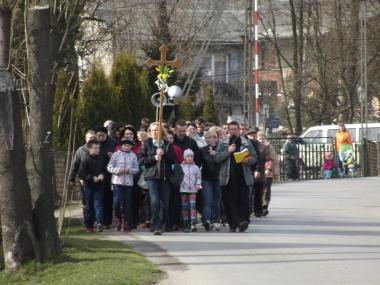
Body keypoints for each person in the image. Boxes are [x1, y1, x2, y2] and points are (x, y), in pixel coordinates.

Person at [215, 121, 257, 232]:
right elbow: (217, 158)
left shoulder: (246, 143)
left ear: (239, 130)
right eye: (231, 129)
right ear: (228, 131)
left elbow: (254, 158)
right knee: (229, 201)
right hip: (227, 177)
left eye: (235, 129)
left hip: (243, 177)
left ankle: (242, 221)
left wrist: (247, 160)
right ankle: (233, 224)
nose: (234, 131)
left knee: (243, 201)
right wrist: (227, 152)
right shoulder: (223, 143)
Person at [138, 122, 176, 235]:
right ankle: (155, 225)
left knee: (164, 202)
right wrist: (154, 157)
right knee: (154, 201)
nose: (155, 132)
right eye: (153, 130)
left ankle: (163, 223)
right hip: (152, 176)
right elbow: (140, 160)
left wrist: (164, 154)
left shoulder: (168, 144)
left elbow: (173, 159)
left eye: (157, 130)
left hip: (164, 176)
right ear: (150, 132)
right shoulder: (146, 144)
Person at [107, 139, 140, 232]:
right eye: (125, 145)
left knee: (128, 204)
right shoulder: (116, 154)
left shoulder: (133, 155)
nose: (126, 147)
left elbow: (136, 169)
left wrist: (129, 170)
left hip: (128, 184)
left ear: (131, 147)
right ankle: (118, 219)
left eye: (129, 146)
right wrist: (118, 170)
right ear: (121, 146)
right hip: (117, 183)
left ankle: (126, 223)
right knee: (117, 203)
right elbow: (109, 167)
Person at [78, 140, 107, 233]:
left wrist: (103, 175)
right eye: (95, 148)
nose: (98, 150)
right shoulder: (86, 159)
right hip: (89, 186)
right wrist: (91, 178)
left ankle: (99, 223)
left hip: (99, 186)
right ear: (90, 148)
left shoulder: (102, 158)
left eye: (98, 148)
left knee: (98, 204)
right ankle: (89, 225)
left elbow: (106, 169)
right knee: (89, 206)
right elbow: (81, 174)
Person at [95, 126, 117, 229]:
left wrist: (113, 156)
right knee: (99, 199)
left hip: (109, 174)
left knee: (108, 199)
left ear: (106, 135)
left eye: (102, 136)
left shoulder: (113, 143)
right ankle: (100, 220)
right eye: (98, 136)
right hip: (98, 173)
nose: (100, 138)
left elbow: (119, 155)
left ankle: (107, 221)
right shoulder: (94, 143)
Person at [200, 129, 221, 231]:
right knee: (207, 200)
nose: (208, 139)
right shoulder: (202, 150)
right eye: (206, 138)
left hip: (218, 178)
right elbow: (198, 164)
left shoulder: (221, 149)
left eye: (210, 137)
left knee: (216, 201)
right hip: (206, 178)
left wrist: (216, 154)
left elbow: (224, 159)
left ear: (215, 139)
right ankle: (207, 221)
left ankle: (216, 220)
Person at [246, 127, 267, 217]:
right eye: (250, 135)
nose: (252, 137)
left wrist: (258, 170)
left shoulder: (261, 146)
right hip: (249, 171)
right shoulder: (246, 145)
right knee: (250, 193)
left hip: (259, 171)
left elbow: (261, 159)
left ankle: (258, 210)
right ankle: (249, 210)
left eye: (254, 135)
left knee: (258, 192)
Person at [180, 149, 202, 232]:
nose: (189, 158)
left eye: (191, 156)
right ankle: (186, 223)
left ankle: (193, 223)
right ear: (184, 157)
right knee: (184, 207)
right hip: (183, 189)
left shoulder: (196, 167)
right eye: (187, 156)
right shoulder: (181, 166)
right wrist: (180, 184)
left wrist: (198, 184)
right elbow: (179, 177)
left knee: (193, 206)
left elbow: (199, 177)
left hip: (193, 190)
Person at [257, 131, 277, 216]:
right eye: (259, 138)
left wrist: (270, 169)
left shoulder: (269, 146)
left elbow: (273, 159)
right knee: (260, 190)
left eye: (262, 138)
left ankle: (265, 207)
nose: (261, 140)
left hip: (267, 171)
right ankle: (259, 207)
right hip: (259, 171)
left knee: (267, 190)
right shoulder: (255, 146)